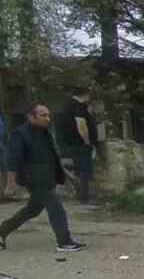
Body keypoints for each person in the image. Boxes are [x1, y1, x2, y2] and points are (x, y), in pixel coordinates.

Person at [0, 105, 87, 252]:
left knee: (32, 210)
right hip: (34, 178)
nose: (47, 119)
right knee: (56, 208)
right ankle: (64, 242)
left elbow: (52, 156)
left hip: (47, 177)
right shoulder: (20, 135)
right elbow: (13, 161)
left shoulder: (44, 132)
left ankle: (2, 231)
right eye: (43, 115)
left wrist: (68, 175)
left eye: (48, 115)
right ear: (31, 117)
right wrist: (10, 185)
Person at [56, 86, 99, 204]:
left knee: (79, 169)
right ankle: (83, 197)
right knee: (83, 170)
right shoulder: (79, 107)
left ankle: (81, 195)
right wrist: (87, 141)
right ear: (84, 95)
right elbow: (81, 125)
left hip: (70, 143)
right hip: (80, 143)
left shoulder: (66, 106)